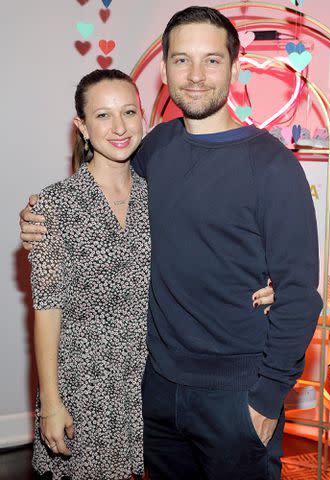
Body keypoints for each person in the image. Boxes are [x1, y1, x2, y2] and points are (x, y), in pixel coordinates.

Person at [18, 7, 305, 480]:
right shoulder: (156, 149)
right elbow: (104, 200)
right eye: (181, 60)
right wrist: (38, 221)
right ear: (164, 70)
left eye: (211, 61)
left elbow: (300, 294)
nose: (195, 76)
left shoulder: (273, 166)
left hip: (235, 397)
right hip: (155, 390)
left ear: (235, 69)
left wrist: (267, 396)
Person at [27, 68, 151, 480]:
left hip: (146, 383)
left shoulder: (160, 196)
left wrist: (260, 282)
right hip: (83, 386)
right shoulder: (53, 206)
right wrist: (51, 401)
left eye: (129, 112)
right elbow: (46, 309)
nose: (119, 127)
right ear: (82, 125)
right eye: (103, 115)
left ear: (143, 116)